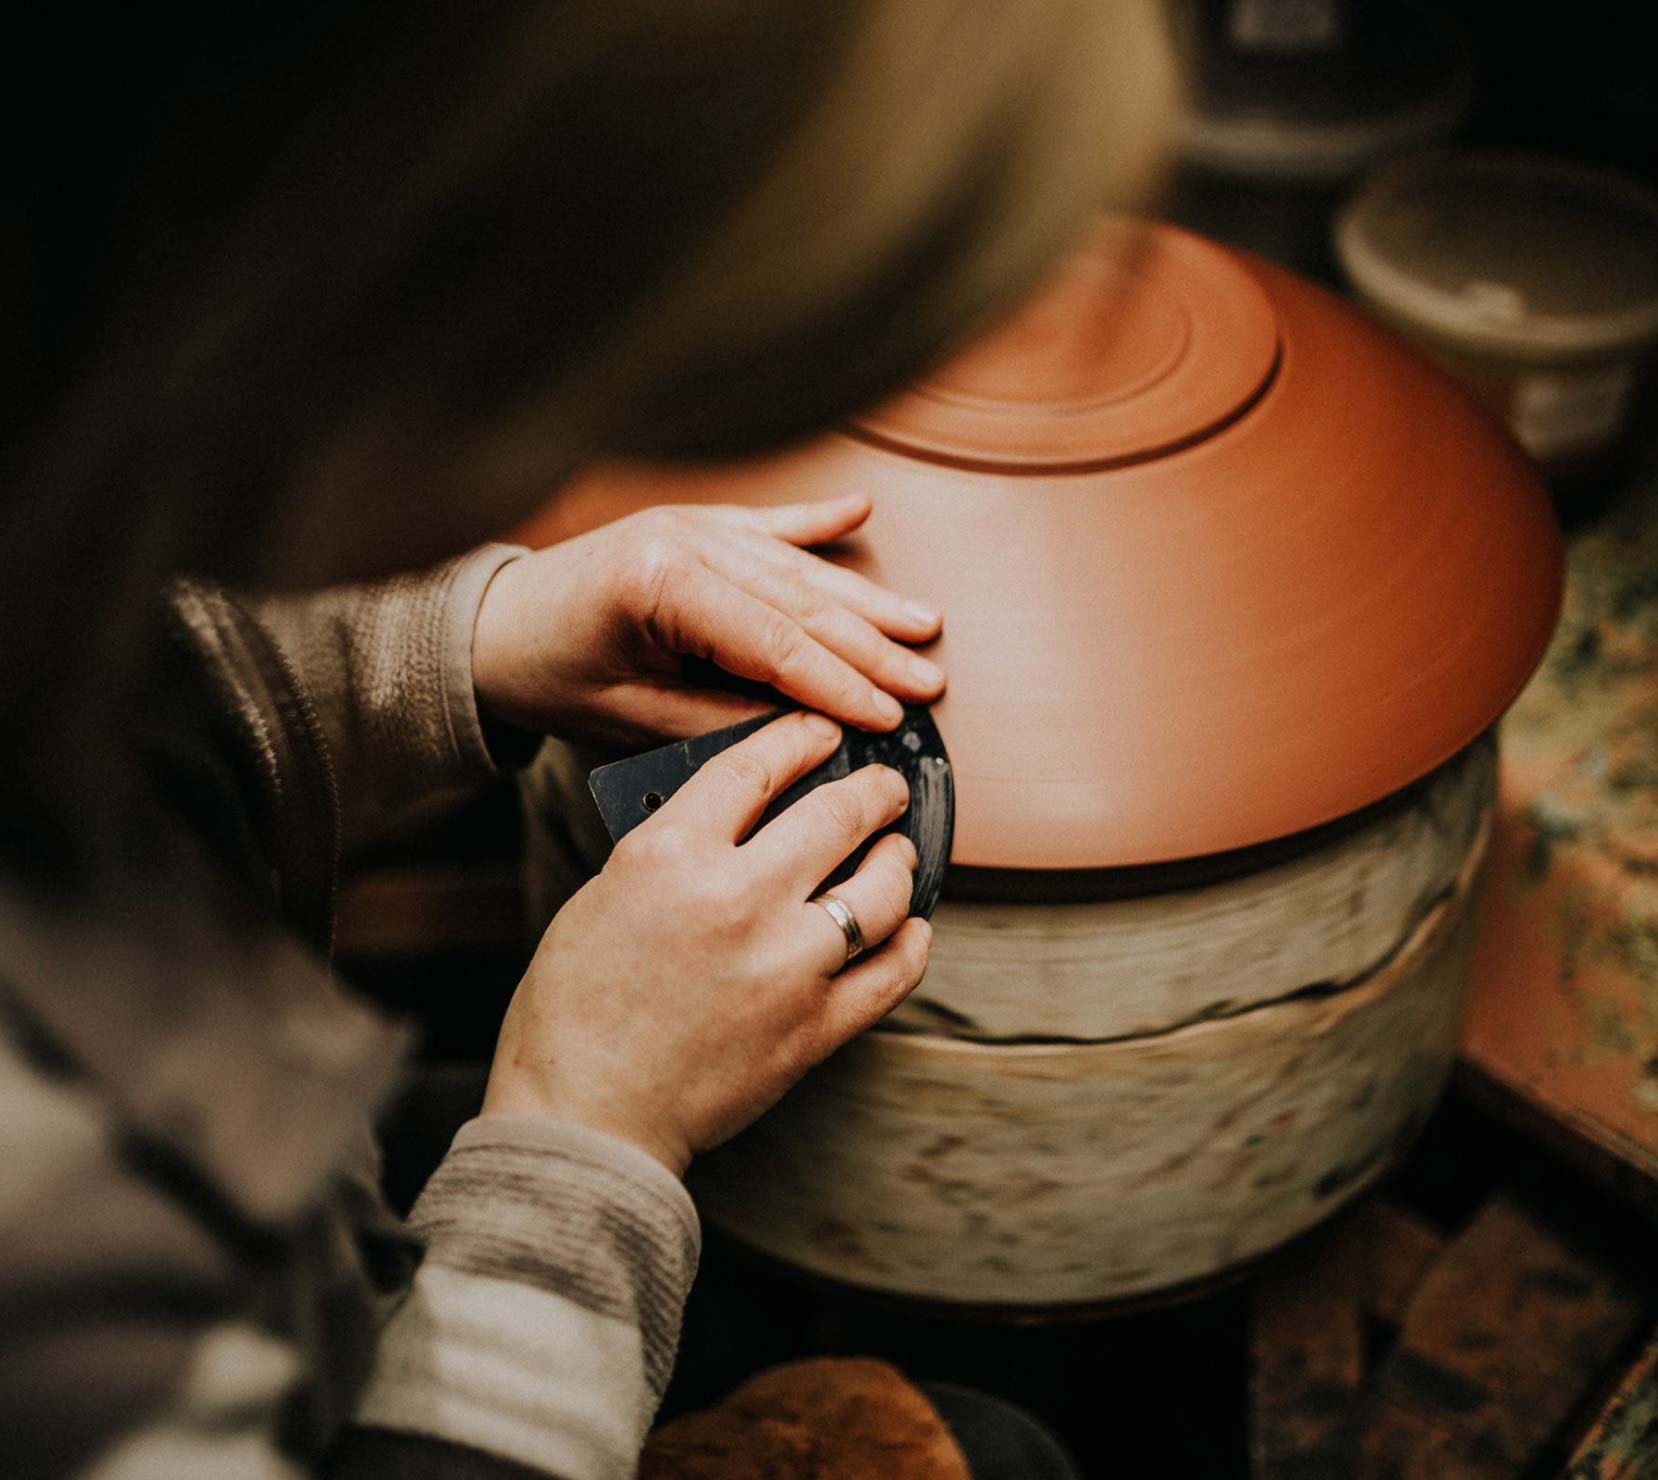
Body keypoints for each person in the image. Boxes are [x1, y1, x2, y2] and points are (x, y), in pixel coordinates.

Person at [0, 4, 1172, 1476]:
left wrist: (454, 646)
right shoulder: (57, 1237)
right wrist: (577, 1137)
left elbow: (103, 648)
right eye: (580, 412)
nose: (571, 473)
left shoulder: (61, 419)